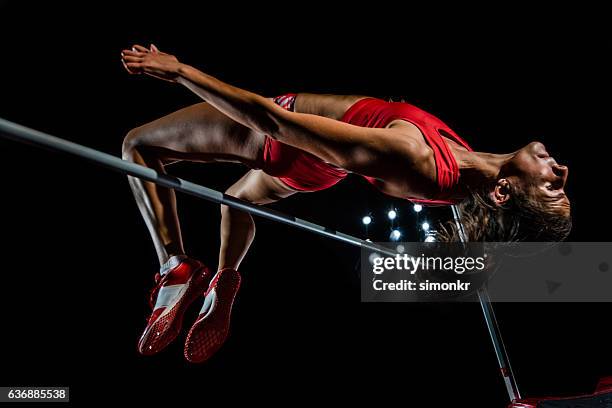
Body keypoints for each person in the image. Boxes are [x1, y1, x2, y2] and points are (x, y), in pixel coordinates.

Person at [120, 44, 571, 362]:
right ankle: (224, 280)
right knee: (236, 200)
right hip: (319, 170)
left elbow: (275, 121)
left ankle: (173, 268)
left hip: (280, 139)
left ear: (503, 191)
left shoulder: (416, 159)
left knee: (137, 146)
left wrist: (178, 70)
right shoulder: (468, 168)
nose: (563, 173)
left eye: (554, 188)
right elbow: (474, 206)